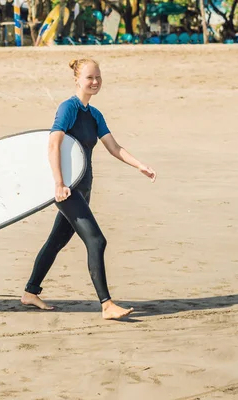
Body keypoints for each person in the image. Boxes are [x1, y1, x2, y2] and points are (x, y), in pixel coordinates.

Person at [21, 58, 157, 320]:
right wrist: (59, 184)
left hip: (84, 189)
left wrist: (140, 165)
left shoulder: (94, 115)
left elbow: (114, 147)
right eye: (89, 78)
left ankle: (30, 292)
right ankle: (106, 305)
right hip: (68, 190)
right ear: (77, 80)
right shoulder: (68, 108)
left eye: (98, 77)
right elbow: (53, 145)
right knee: (96, 240)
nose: (95, 82)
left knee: (56, 241)